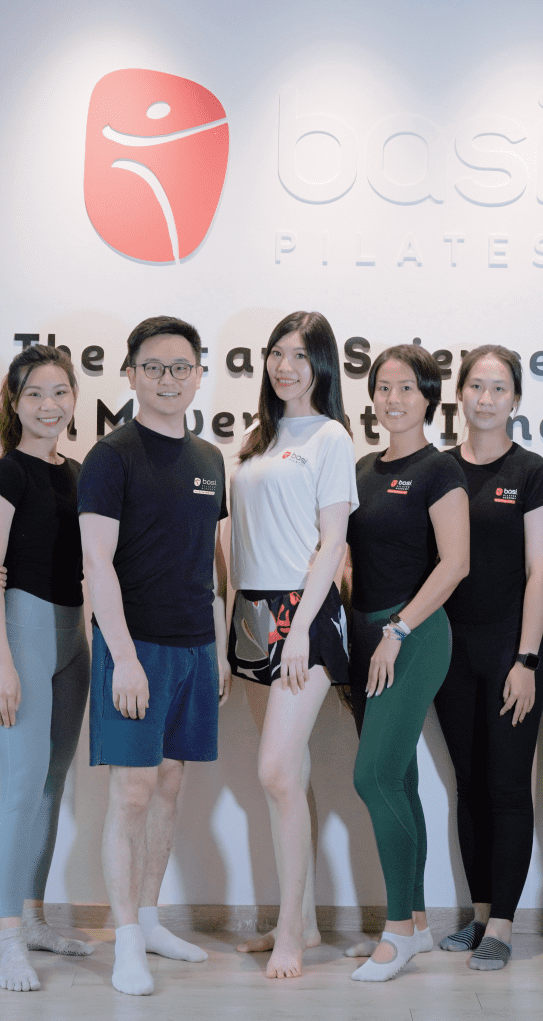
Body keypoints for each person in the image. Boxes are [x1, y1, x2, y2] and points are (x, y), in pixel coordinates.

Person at [79, 316, 230, 997]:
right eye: (154, 367)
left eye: (181, 366)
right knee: (132, 792)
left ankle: (149, 919)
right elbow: (97, 564)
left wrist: (218, 649)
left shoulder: (210, 460)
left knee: (170, 786)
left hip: (195, 647)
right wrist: (124, 657)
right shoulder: (111, 456)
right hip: (134, 648)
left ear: (198, 374)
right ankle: (125, 943)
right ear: (131, 373)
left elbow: (210, 566)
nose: (168, 378)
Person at [227, 311, 358, 980]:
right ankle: (299, 920)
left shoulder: (330, 436)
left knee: (276, 771)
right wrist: (228, 623)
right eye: (277, 352)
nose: (285, 366)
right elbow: (235, 538)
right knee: (289, 775)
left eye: (300, 355)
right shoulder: (259, 438)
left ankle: (291, 935)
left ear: (322, 364)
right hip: (251, 610)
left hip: (301, 611)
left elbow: (332, 543)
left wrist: (301, 628)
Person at [344, 345, 469, 982]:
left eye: (406, 388)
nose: (393, 399)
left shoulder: (439, 470)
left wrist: (397, 629)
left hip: (413, 635)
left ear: (428, 398)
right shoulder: (363, 469)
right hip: (365, 636)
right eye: (383, 388)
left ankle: (395, 932)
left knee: (373, 777)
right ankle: (416, 922)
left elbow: (455, 564)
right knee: (400, 778)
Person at [433, 345, 543, 970]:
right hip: (449, 652)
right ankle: (480, 915)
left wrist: (527, 660)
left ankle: (504, 924)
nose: (486, 398)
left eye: (499, 388)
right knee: (470, 784)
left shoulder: (531, 471)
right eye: (476, 386)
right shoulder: (440, 468)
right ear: (460, 393)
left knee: (508, 785)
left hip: (512, 650)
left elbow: (541, 573)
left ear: (515, 399)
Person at [0, 345, 92, 992]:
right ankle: (9, 938)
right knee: (21, 786)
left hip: (73, 634)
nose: (49, 405)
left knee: (50, 784)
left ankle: (36, 918)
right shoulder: (5, 475)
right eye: (35, 394)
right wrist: (1, 662)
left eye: (59, 392)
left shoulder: (78, 473)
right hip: (22, 631)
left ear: (74, 398)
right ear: (14, 404)